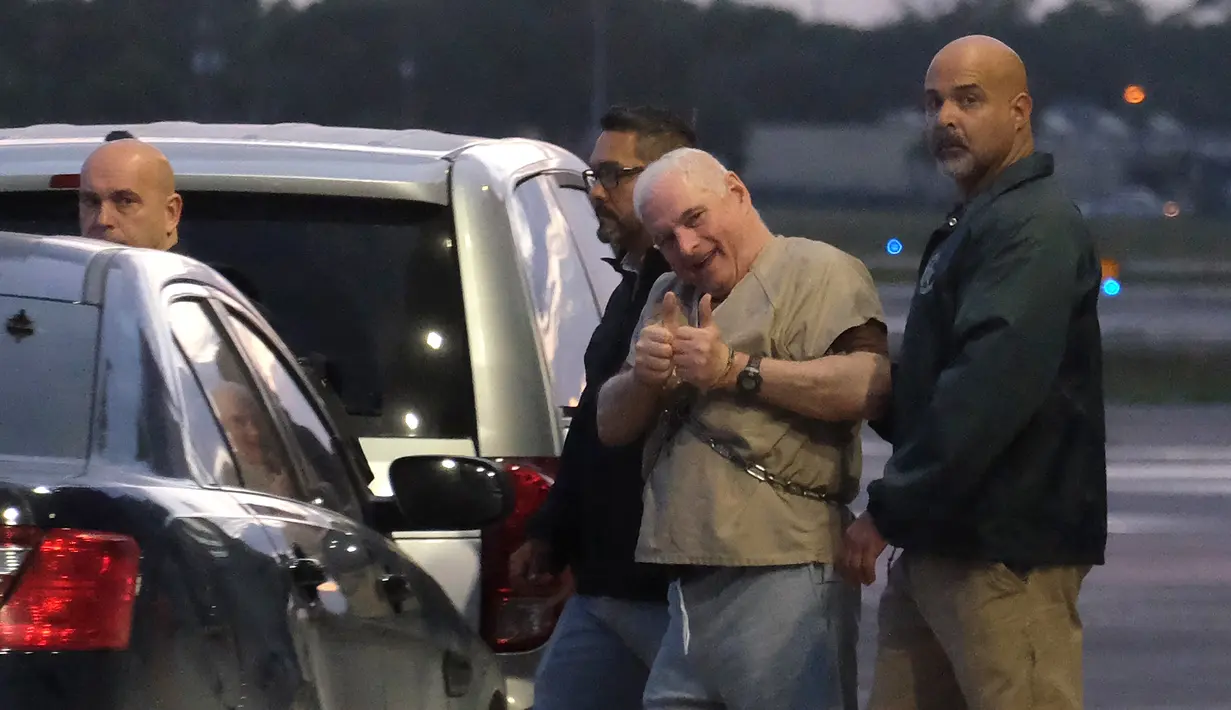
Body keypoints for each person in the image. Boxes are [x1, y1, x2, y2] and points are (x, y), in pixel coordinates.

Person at [840, 35, 1108, 710]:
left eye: (967, 100)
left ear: (1019, 112)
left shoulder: (1032, 225)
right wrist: (862, 381)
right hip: (941, 544)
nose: (944, 120)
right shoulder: (980, 220)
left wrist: (888, 507)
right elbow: (941, 387)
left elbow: (986, 387)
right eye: (932, 104)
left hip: (1002, 554)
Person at [596, 147, 889, 710]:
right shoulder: (666, 296)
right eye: (663, 239)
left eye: (693, 218)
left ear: (736, 191)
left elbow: (870, 385)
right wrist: (644, 380)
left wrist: (735, 370)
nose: (684, 247)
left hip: (784, 572)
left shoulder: (819, 271)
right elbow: (609, 426)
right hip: (687, 583)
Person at [509, 105, 697, 710]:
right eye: (592, 176)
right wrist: (552, 530)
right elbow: (593, 427)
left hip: (669, 592)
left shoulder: (700, 289)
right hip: (605, 585)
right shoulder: (632, 289)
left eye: (612, 174)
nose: (595, 192)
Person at [78, 137, 183, 250]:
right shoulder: (60, 265)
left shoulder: (195, 267)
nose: (103, 220)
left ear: (171, 213)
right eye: (92, 202)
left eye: (125, 201)